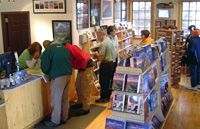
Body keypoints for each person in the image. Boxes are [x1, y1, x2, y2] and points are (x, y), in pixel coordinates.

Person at [41, 41, 72, 127]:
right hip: (68, 74)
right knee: (65, 97)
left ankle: (55, 121)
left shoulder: (48, 50)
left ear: (46, 46)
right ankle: (64, 118)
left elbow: (44, 67)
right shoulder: (64, 48)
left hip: (58, 76)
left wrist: (48, 73)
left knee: (56, 99)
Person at [64, 43, 94, 116]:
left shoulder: (69, 49)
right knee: (78, 85)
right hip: (82, 67)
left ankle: (86, 108)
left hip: (86, 66)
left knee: (85, 87)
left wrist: (82, 68)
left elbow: (83, 58)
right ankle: (80, 102)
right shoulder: (69, 48)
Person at [93, 29, 115, 103]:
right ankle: (108, 96)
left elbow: (101, 57)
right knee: (109, 80)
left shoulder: (103, 44)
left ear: (100, 35)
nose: (97, 37)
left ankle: (103, 97)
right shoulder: (109, 41)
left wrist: (96, 53)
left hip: (105, 64)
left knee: (103, 81)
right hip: (111, 63)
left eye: (97, 35)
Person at [107, 26, 119, 91]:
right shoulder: (107, 39)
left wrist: (118, 57)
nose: (115, 32)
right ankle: (110, 87)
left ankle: (113, 85)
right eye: (114, 31)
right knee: (110, 73)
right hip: (111, 58)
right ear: (110, 32)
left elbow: (117, 48)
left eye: (115, 31)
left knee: (114, 72)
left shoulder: (116, 37)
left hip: (116, 57)